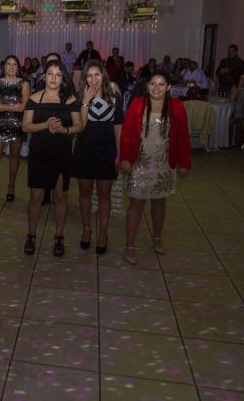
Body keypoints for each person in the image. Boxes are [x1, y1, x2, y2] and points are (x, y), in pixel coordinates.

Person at [119, 70, 191, 265]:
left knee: (159, 203)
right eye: (152, 84)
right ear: (147, 85)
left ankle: (157, 236)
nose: (156, 88)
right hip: (140, 162)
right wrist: (124, 158)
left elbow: (183, 136)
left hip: (164, 163)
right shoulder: (138, 104)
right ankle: (130, 244)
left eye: (161, 84)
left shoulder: (176, 107)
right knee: (136, 204)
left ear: (168, 87)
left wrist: (185, 162)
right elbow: (126, 133)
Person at [22, 60, 81, 256]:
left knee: (60, 196)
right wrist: (45, 125)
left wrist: (65, 130)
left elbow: (79, 126)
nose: (53, 78)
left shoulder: (70, 100)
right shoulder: (34, 98)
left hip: (62, 154)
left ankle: (59, 236)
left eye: (58, 74)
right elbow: (26, 126)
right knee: (36, 197)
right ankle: (31, 234)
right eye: (50, 74)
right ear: (44, 76)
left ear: (63, 78)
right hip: (39, 153)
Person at [72, 60, 123, 255]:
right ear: (85, 78)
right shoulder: (79, 96)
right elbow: (81, 127)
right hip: (84, 149)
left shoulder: (113, 94)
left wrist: (119, 155)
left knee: (104, 193)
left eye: (97, 75)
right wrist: (86, 100)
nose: (93, 79)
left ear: (103, 76)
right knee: (84, 192)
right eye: (89, 75)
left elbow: (118, 127)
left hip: (106, 150)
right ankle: (86, 229)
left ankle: (103, 232)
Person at [0, 55, 31, 202]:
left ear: (18, 67)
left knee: (14, 156)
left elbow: (25, 106)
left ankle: (11, 187)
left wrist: (3, 105)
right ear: (4, 67)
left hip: (17, 124)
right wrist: (13, 106)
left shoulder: (24, 84)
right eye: (8, 64)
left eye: (14, 64)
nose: (11, 67)